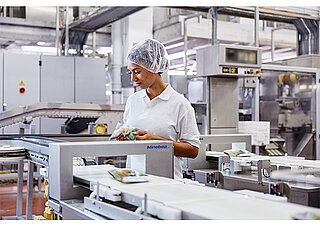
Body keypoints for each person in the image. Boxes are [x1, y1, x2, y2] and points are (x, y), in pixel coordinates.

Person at [117, 38, 200, 179]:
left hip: (166, 183)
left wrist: (157, 142)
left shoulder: (180, 104)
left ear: (154, 67)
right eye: (130, 72)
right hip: (134, 181)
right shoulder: (133, 101)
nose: (133, 79)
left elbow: (193, 150)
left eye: (137, 72)